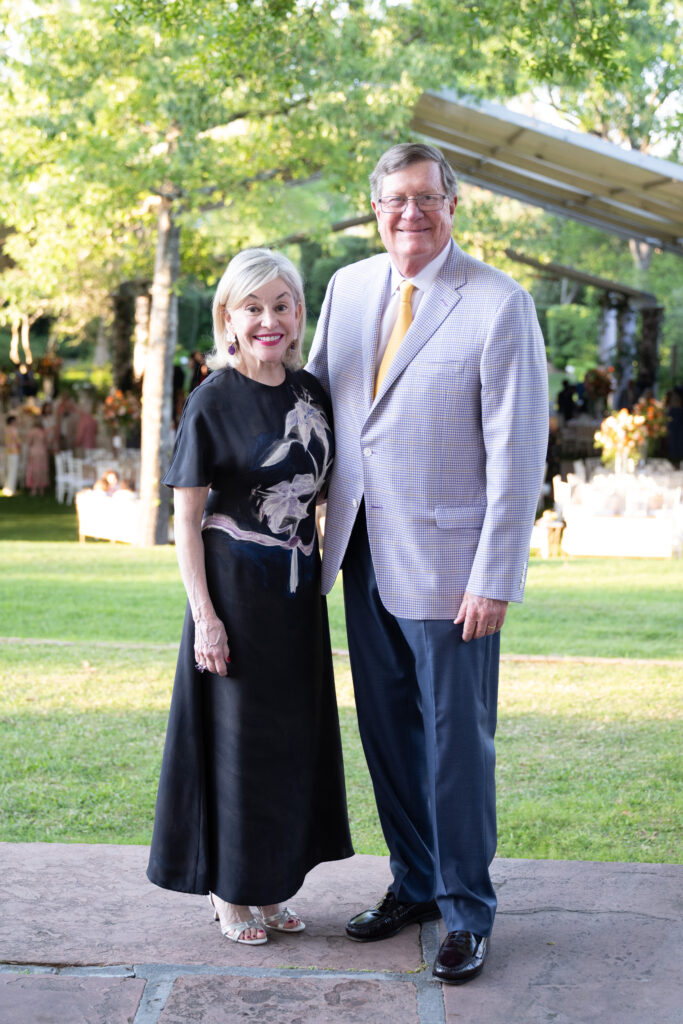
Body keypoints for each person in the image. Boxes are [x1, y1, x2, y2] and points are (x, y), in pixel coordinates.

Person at [307, 143, 548, 983]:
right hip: (359, 549)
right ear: (373, 209)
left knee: (454, 742)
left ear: (452, 205)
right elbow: (314, 412)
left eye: (424, 198)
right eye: (392, 201)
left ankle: (466, 912)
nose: (408, 214)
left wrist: (495, 575)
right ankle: (413, 882)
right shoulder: (346, 289)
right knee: (386, 733)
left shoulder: (498, 304)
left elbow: (516, 454)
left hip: (451, 568)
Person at [147, 248, 353, 946]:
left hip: (295, 602)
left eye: (282, 305)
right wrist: (204, 617)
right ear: (228, 318)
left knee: (287, 746)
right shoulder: (211, 398)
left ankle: (271, 889)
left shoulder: (311, 394)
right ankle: (228, 894)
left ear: (299, 314)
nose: (269, 319)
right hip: (233, 602)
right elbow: (184, 518)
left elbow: (324, 491)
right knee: (234, 748)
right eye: (253, 307)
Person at [25, 415, 50, 495]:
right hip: (42, 452)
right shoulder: (43, 431)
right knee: (42, 469)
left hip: (34, 451)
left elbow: (29, 442)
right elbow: (46, 442)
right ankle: (41, 489)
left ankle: (34, 489)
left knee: (34, 469)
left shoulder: (32, 431)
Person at [3, 414, 21, 496]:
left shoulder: (6, 429)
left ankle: (7, 488)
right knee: (13, 471)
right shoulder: (14, 429)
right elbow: (18, 441)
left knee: (9, 470)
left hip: (7, 452)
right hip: (14, 452)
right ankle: (11, 490)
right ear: (12, 421)